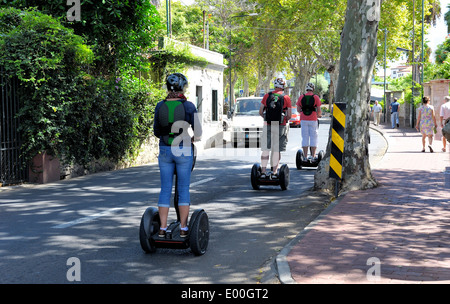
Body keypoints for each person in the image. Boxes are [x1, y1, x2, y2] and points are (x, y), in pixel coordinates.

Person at [153, 73, 202, 237]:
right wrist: (192, 137)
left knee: (165, 189)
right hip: (183, 149)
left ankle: (162, 227)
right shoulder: (189, 106)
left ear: (167, 88)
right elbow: (199, 132)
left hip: (165, 150)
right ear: (183, 88)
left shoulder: (160, 106)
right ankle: (183, 228)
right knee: (183, 189)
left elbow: (156, 132)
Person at [259, 78, 292, 177]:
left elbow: (260, 112)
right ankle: (274, 172)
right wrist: (284, 118)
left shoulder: (267, 96)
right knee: (276, 149)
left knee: (266, 149)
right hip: (280, 125)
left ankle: (263, 172)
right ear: (283, 86)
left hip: (268, 124)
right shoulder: (286, 97)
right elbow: (289, 115)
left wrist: (268, 118)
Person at [296, 82, 322, 159]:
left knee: (305, 137)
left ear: (306, 89)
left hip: (303, 119)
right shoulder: (316, 97)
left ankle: (304, 156)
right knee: (314, 137)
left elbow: (298, 109)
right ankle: (313, 156)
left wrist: (303, 112)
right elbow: (319, 110)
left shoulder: (301, 97)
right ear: (313, 89)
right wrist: (319, 115)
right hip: (313, 119)